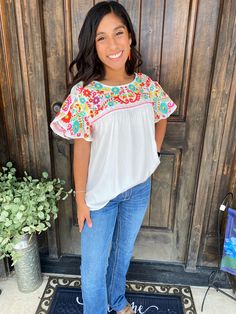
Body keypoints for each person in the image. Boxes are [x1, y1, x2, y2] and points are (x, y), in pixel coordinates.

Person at [50, 1, 177, 313]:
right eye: (101, 37)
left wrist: (153, 154)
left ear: (130, 37)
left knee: (122, 254)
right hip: (100, 196)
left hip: (138, 189)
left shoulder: (146, 86)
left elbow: (163, 115)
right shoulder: (85, 94)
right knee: (93, 269)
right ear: (93, 45)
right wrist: (81, 200)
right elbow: (81, 148)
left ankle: (118, 302)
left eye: (118, 33)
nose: (112, 44)